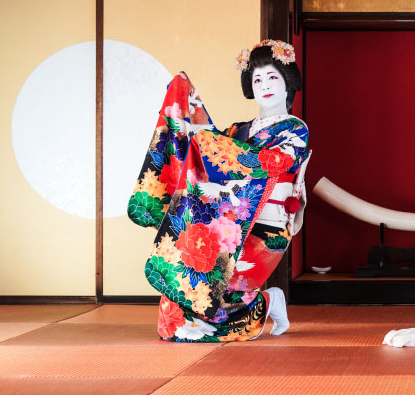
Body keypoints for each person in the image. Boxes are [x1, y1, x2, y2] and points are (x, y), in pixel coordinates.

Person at [128, 40, 310, 342]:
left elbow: (267, 163)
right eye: (257, 78)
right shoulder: (238, 131)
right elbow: (207, 148)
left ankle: (265, 302)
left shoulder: (295, 129)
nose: (265, 84)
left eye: (273, 77)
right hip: (229, 219)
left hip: (265, 225)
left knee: (211, 292)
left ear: (288, 81)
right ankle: (261, 302)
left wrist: (207, 144)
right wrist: (185, 108)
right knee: (174, 313)